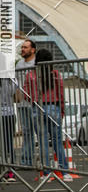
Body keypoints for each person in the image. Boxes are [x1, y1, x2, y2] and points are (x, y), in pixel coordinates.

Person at [24, 48, 70, 179]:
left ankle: (46, 173)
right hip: (53, 107)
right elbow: (61, 94)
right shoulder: (55, 74)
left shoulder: (30, 75)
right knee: (57, 141)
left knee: (43, 142)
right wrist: (61, 110)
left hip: (37, 108)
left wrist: (34, 99)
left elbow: (26, 94)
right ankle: (65, 171)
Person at [15, 38, 36, 166]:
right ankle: (26, 160)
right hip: (22, 103)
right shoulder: (19, 64)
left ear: (33, 50)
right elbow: (16, 83)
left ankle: (43, 161)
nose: (23, 49)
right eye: (22, 47)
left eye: (26, 47)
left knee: (39, 131)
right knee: (27, 131)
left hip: (34, 103)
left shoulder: (37, 63)